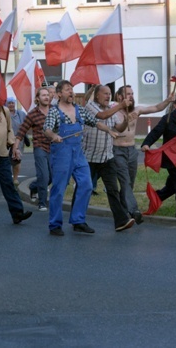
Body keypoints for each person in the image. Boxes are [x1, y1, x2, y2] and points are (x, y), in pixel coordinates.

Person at [43, 80, 130, 236]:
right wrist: (54, 135)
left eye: (72, 89)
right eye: (67, 89)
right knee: (59, 188)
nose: (71, 92)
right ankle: (55, 224)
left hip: (78, 153)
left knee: (86, 185)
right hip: (62, 152)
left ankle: (78, 220)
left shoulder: (79, 110)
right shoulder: (54, 111)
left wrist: (109, 131)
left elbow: (96, 122)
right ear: (59, 94)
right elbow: (47, 129)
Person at [75, 85, 133, 231]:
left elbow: (118, 128)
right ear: (96, 95)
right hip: (89, 157)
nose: (108, 96)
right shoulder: (90, 106)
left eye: (110, 94)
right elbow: (102, 116)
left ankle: (121, 221)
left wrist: (126, 120)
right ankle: (77, 219)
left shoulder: (111, 108)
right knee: (84, 188)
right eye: (105, 93)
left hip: (107, 157)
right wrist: (120, 105)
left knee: (113, 190)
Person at [113, 85, 173, 223]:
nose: (131, 96)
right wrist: (126, 118)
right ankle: (134, 211)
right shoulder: (114, 112)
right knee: (125, 181)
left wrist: (168, 100)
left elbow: (157, 108)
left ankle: (123, 211)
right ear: (120, 97)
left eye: (132, 93)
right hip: (118, 150)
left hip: (132, 150)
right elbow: (118, 128)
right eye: (128, 94)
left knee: (130, 183)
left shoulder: (137, 109)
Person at [13, 87, 51, 212]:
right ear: (38, 98)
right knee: (43, 176)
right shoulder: (33, 114)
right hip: (40, 147)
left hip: (54, 148)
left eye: (48, 95)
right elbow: (21, 131)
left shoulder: (54, 111)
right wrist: (16, 147)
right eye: (43, 95)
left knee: (53, 176)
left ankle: (33, 186)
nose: (46, 97)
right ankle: (42, 202)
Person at [6, 97, 27, 186]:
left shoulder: (21, 114)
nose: (11, 104)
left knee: (17, 160)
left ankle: (15, 178)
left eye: (12, 103)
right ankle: (6, 178)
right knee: (6, 162)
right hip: (6, 141)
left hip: (19, 141)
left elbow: (26, 124)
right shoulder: (4, 113)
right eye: (9, 103)